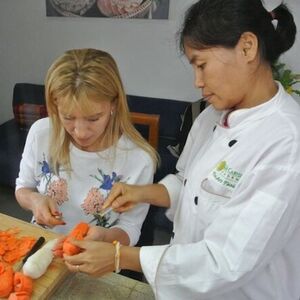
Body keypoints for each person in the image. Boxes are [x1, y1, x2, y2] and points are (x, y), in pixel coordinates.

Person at [56, 1, 300, 299]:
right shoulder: (211, 116)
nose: (197, 82)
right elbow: (189, 184)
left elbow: (226, 262)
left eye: (201, 65)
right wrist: (140, 192)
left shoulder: (287, 143)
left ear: (247, 47)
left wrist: (121, 256)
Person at [15, 48, 158, 247]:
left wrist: (105, 237)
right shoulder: (41, 133)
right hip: (41, 246)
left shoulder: (138, 159)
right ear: (55, 106)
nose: (81, 132)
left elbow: (130, 227)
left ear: (114, 104)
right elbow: (23, 188)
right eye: (68, 117)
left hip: (97, 257)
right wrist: (34, 201)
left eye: (93, 118)